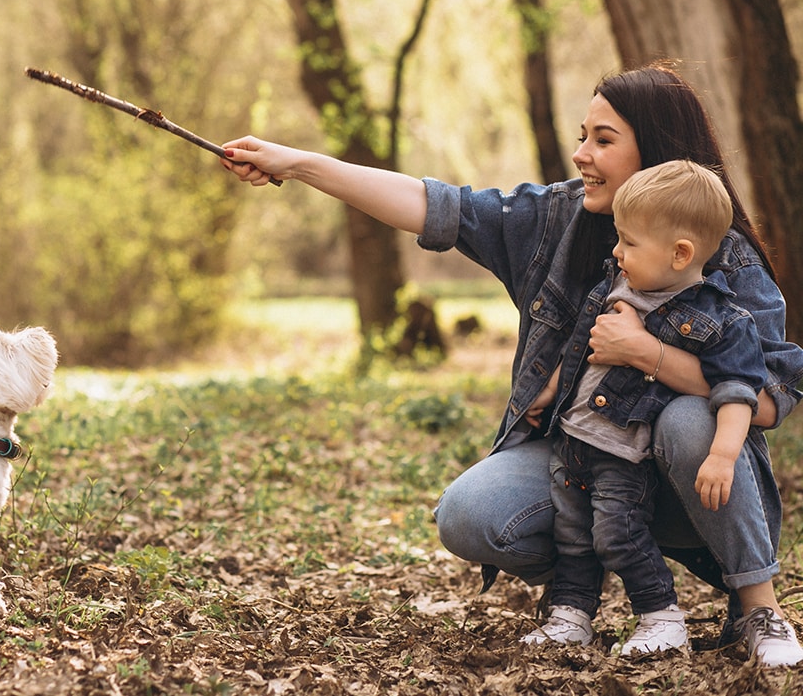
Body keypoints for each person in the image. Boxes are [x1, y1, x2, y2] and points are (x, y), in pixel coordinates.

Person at [220, 63, 803, 667]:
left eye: (604, 140)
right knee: (471, 515)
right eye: (583, 136)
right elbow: (432, 205)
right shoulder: (554, 218)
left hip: (691, 474)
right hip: (583, 455)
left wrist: (646, 353)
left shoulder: (723, 259)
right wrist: (300, 164)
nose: (581, 154)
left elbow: (764, 401)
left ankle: (759, 606)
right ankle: (584, 590)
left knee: (688, 420)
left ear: (655, 150)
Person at [520, 159, 767, 655]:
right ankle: (572, 614)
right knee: (573, 536)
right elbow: (578, 346)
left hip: (625, 455)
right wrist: (547, 389)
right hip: (575, 440)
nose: (616, 251)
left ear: (680, 254)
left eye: (629, 242)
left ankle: (660, 616)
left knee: (617, 535)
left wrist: (721, 455)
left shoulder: (718, 318)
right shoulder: (618, 284)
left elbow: (738, 390)